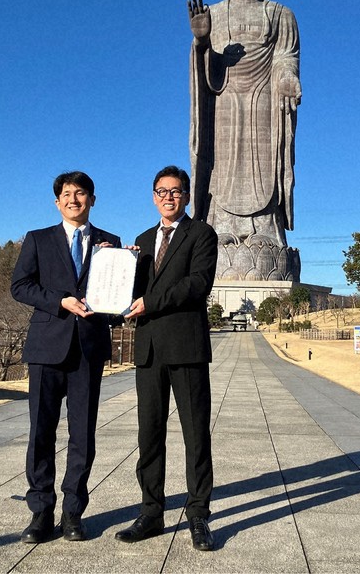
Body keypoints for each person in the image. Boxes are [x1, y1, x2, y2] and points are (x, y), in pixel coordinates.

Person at [11, 171, 120, 543]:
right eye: (67, 194)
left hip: (88, 350)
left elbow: (119, 298)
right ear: (57, 201)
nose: (74, 199)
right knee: (41, 433)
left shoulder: (112, 242)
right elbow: (20, 286)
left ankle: (73, 512)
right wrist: (59, 301)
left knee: (82, 435)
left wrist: (126, 265)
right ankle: (41, 511)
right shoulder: (38, 240)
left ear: (93, 199)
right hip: (46, 348)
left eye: (81, 193)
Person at [114, 165, 218, 552]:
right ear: (153, 195)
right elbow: (132, 291)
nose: (168, 197)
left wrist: (149, 301)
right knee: (149, 434)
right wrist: (117, 267)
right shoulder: (141, 239)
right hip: (149, 349)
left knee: (195, 435)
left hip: (186, 346)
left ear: (187, 196)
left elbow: (197, 284)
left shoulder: (202, 234)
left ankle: (198, 514)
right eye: (162, 191)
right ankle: (151, 511)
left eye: (176, 191)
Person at [188, 0, 301, 255]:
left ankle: (264, 228)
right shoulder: (213, 14)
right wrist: (201, 42)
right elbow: (205, 72)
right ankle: (220, 227)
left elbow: (285, 57)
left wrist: (287, 78)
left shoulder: (281, 15)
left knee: (263, 164)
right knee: (221, 165)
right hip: (224, 101)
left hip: (265, 102)